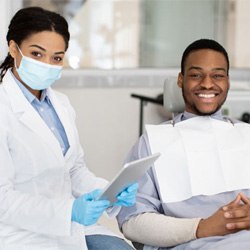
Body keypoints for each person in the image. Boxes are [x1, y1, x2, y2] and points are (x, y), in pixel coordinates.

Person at [0, 6, 138, 250]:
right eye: (36, 53)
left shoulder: (61, 104)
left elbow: (74, 170)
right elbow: (3, 200)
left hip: (70, 229)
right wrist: (69, 211)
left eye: (56, 57)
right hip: (18, 235)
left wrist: (107, 191)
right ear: (13, 48)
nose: (48, 64)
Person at [117, 38, 250, 250]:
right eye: (196, 75)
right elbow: (132, 222)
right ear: (181, 80)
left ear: (228, 81)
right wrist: (201, 227)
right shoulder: (152, 142)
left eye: (217, 75)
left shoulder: (246, 135)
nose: (207, 84)